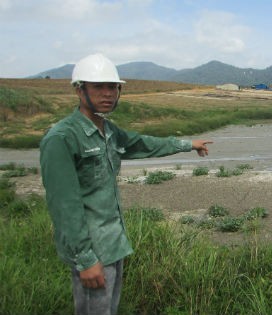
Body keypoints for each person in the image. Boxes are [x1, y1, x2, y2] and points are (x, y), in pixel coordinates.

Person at [39, 53, 212, 315]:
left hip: (113, 242)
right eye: (98, 87)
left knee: (109, 309)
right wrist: (85, 260)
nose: (107, 94)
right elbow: (64, 206)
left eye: (113, 87)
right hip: (92, 250)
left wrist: (188, 144)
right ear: (79, 90)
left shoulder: (108, 130)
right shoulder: (61, 138)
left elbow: (141, 144)